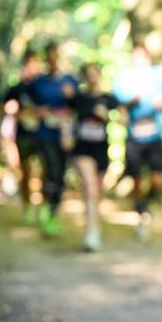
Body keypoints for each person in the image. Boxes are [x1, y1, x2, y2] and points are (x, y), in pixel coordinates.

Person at [113, 41, 162, 241]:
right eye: (135, 55)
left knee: (157, 178)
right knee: (137, 179)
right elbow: (118, 105)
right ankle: (141, 215)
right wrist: (134, 101)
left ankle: (149, 205)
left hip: (155, 134)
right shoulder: (124, 78)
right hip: (134, 134)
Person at [28, 42, 77, 237]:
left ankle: (52, 211)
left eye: (54, 56)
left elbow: (79, 105)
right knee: (52, 170)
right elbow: (26, 102)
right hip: (44, 134)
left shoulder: (70, 81)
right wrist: (38, 111)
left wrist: (70, 100)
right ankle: (47, 209)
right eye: (48, 56)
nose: (52, 60)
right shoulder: (37, 82)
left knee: (60, 175)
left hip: (64, 135)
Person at [67, 63, 119, 251]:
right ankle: (91, 231)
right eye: (88, 75)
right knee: (89, 185)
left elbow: (123, 118)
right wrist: (66, 136)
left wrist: (107, 116)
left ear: (99, 76)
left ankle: (93, 226)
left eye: (94, 74)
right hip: (83, 149)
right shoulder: (79, 98)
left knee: (96, 191)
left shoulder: (108, 98)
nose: (92, 78)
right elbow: (67, 116)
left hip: (101, 149)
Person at [3, 50, 44, 223]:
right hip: (23, 134)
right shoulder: (17, 88)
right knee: (26, 171)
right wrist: (11, 109)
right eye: (30, 63)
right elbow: (3, 105)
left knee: (43, 171)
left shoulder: (44, 86)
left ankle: (43, 207)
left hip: (42, 134)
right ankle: (27, 206)